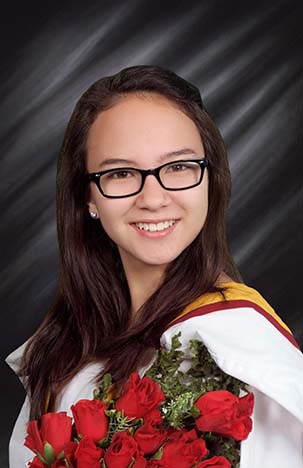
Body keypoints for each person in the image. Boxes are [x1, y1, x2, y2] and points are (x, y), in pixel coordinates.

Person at [6, 65, 303, 468]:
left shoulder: (237, 343)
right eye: (121, 173)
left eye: (178, 167)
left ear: (209, 181)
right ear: (87, 197)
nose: (154, 197)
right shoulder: (64, 348)